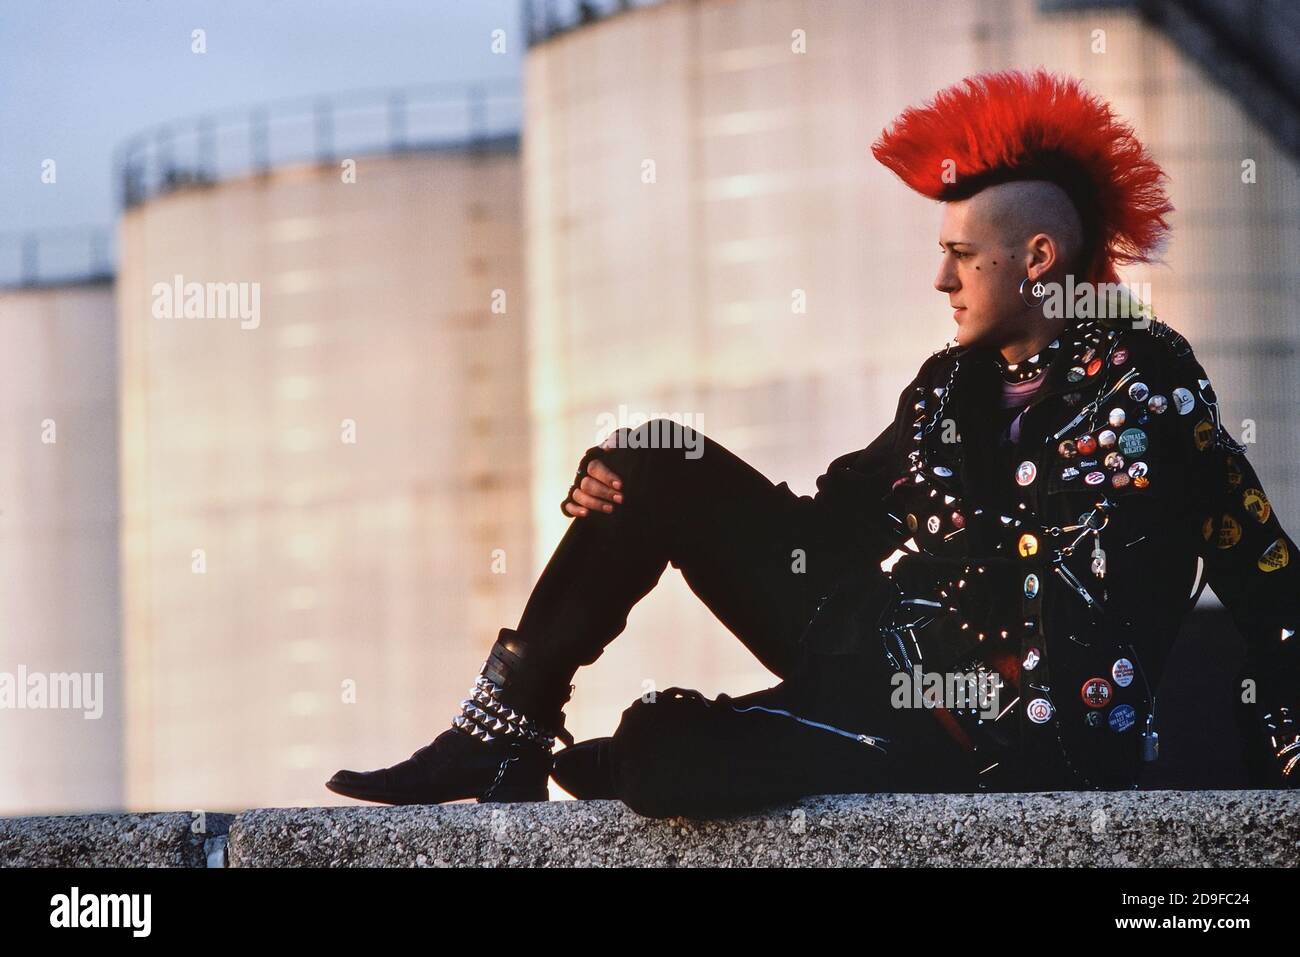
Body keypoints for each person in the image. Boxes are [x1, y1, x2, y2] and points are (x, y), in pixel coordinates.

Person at [326, 69, 1300, 817]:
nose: (941, 281)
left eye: (960, 255)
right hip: (870, 646)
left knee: (662, 750)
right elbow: (828, 529)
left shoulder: (1153, 387)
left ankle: (752, 738)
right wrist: (643, 480)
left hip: (996, 731)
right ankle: (506, 733)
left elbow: (1265, 576)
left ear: (1038, 258)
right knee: (657, 454)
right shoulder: (947, 387)